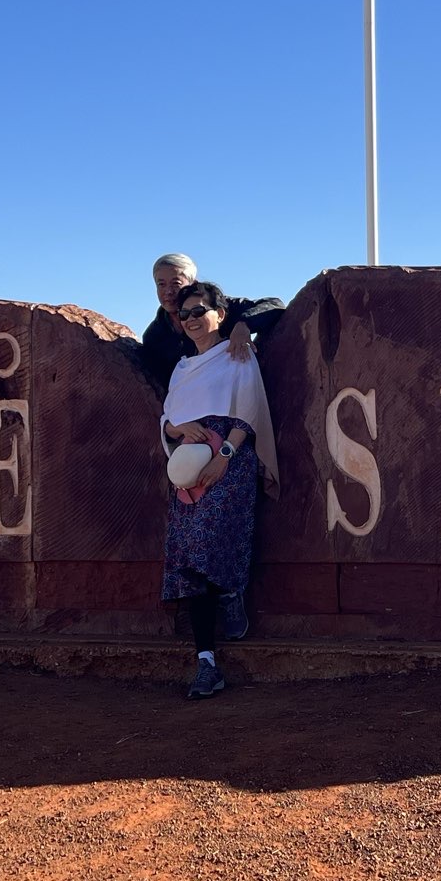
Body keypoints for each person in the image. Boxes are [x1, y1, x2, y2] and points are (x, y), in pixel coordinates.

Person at [158, 280, 277, 700]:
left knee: (216, 544)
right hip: (188, 464)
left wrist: (224, 455)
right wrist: (175, 428)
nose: (191, 320)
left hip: (228, 460)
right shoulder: (181, 367)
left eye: (199, 311)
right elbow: (169, 417)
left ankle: (231, 595)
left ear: (219, 314)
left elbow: (248, 410)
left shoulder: (237, 354)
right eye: (184, 314)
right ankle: (206, 662)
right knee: (189, 557)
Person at [138, 252, 285, 398]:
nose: (168, 292)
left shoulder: (216, 307)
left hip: (238, 393)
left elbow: (274, 305)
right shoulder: (154, 336)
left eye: (176, 284)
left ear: (192, 284)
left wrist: (244, 324)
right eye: (161, 284)